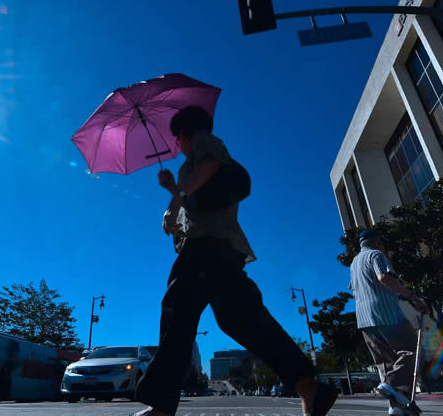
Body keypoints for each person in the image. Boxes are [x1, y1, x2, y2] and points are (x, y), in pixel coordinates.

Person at [134, 106, 337, 416]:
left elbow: (211, 165)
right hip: (220, 250)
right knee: (242, 319)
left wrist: (174, 200)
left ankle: (161, 404)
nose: (177, 144)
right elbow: (197, 208)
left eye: (178, 137)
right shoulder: (190, 168)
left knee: (178, 315)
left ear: (187, 133)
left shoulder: (205, 142)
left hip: (205, 250)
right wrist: (173, 192)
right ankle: (308, 384)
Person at [349, 230, 427, 416]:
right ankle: (390, 384)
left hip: (364, 319)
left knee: (386, 363)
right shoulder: (376, 255)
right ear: (377, 241)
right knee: (413, 351)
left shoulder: (354, 263)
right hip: (386, 314)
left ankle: (396, 408)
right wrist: (412, 297)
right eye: (382, 242)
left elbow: (354, 292)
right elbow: (383, 278)